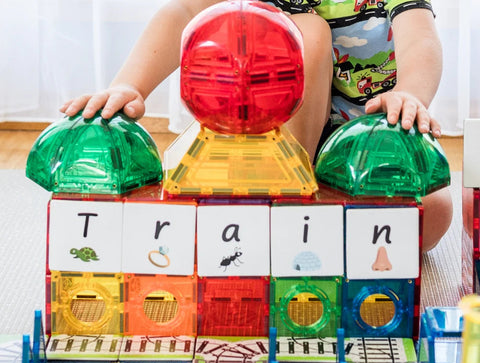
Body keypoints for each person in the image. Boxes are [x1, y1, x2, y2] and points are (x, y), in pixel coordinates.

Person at [60, 0, 452, 251]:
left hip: (361, 144)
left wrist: (410, 93)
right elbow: (182, 14)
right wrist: (129, 84)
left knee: (433, 213)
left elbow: (421, 39)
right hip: (272, 141)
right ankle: (288, 198)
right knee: (307, 29)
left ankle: (316, 221)